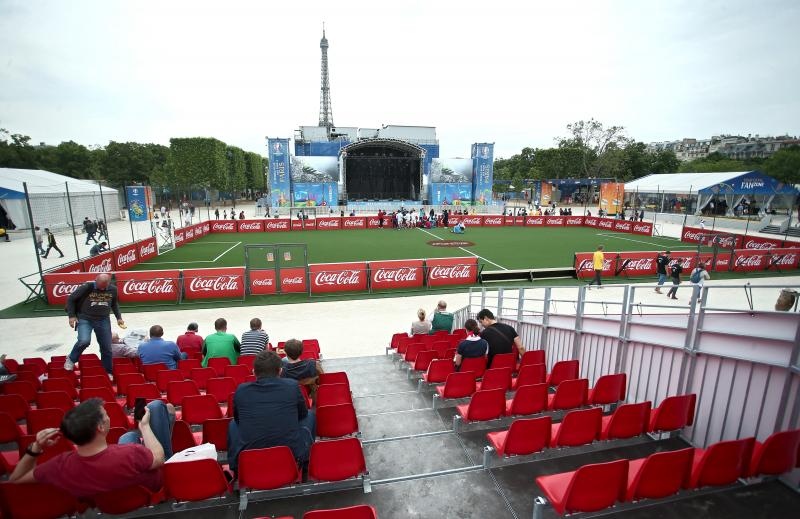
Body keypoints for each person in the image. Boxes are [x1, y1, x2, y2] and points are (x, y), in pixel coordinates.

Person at [8, 398, 174, 498]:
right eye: (106, 415)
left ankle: (162, 419)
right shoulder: (131, 453)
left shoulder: (61, 466)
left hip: (109, 502)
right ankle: (167, 416)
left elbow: (16, 479)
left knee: (127, 436)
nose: (108, 417)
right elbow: (158, 458)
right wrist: (144, 426)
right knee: (158, 407)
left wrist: (35, 448)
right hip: (154, 487)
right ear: (101, 428)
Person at [227, 350, 316, 475]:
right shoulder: (292, 386)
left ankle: (235, 463)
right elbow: (302, 415)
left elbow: (238, 420)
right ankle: (307, 457)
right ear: (280, 371)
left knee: (233, 424)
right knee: (310, 415)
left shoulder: (241, 390)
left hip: (251, 452)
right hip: (291, 451)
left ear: (254, 372)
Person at [65, 274, 124, 374]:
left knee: (106, 347)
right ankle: (71, 359)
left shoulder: (113, 289)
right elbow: (71, 299)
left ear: (109, 283)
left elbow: (114, 304)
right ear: (96, 280)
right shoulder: (87, 287)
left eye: (104, 286)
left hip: (103, 319)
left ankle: (108, 372)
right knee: (84, 341)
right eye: (100, 286)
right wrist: (71, 316)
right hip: (85, 318)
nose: (102, 288)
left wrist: (119, 318)